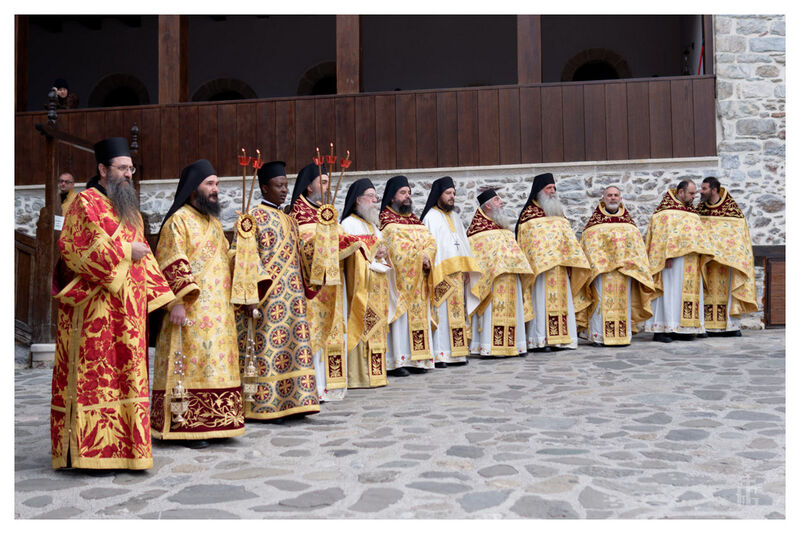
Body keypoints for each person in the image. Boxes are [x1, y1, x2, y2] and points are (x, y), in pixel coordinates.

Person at [50, 137, 175, 469]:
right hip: (95, 312)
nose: (128, 174)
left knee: (128, 378)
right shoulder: (84, 203)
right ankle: (89, 455)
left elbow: (146, 259)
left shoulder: (131, 211)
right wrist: (124, 251)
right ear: (103, 170)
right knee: (96, 379)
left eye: (131, 168)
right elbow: (73, 249)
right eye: (122, 168)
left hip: (129, 315)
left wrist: (169, 300)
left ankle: (128, 453)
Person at [150, 159, 244, 448]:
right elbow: (169, 260)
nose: (215, 189)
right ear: (193, 188)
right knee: (191, 366)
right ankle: (186, 425)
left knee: (217, 366)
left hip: (219, 313)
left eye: (217, 184)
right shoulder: (177, 221)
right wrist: (176, 302)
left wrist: (244, 250)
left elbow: (225, 258)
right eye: (209, 184)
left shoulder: (214, 223)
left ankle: (221, 421)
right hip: (191, 309)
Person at [230, 160, 320, 420]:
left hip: (293, 299)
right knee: (268, 350)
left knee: (293, 347)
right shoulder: (252, 218)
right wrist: (252, 293)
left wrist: (323, 238)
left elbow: (302, 257)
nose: (284, 190)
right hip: (267, 298)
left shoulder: (290, 220)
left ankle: (297, 401)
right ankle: (267, 405)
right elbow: (239, 255)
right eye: (279, 186)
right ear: (264, 188)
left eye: (286, 185)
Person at [289, 163, 371, 400]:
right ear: (309, 186)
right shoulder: (297, 214)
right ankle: (313, 389)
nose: (327, 187)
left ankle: (331, 387)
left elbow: (342, 239)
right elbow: (305, 247)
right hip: (312, 290)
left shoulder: (327, 213)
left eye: (328, 182)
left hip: (334, 285)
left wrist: (356, 245)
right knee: (313, 335)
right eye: (322, 182)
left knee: (334, 334)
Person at [516, 173, 591, 352]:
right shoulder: (528, 216)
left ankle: (562, 340)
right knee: (541, 303)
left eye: (553, 188)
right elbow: (525, 244)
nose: (552, 191)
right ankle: (540, 341)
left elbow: (569, 240)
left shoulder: (558, 213)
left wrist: (572, 262)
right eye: (548, 188)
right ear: (539, 191)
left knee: (562, 303)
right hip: (540, 271)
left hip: (561, 269)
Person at [576, 186, 655, 346]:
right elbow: (589, 247)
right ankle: (599, 337)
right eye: (609, 195)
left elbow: (637, 249)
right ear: (603, 199)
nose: (613, 198)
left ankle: (622, 336)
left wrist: (628, 264)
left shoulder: (629, 224)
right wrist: (605, 263)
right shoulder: (594, 225)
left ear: (620, 198)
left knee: (622, 304)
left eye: (616, 195)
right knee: (601, 303)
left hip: (624, 272)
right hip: (602, 273)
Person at [340, 178, 396, 388]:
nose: (375, 201)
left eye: (376, 197)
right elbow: (350, 254)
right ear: (358, 200)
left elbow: (379, 249)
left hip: (377, 287)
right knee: (362, 327)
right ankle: (360, 376)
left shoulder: (373, 225)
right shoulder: (348, 224)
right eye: (371, 196)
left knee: (377, 329)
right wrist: (373, 248)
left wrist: (383, 251)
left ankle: (377, 375)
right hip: (361, 289)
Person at [379, 175, 437, 376]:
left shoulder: (415, 220)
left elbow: (431, 241)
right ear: (392, 196)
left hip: (419, 281)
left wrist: (427, 255)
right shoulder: (385, 221)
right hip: (400, 283)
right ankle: (398, 361)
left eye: (409, 193)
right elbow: (396, 248)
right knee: (401, 322)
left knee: (418, 320)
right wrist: (420, 256)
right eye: (402, 192)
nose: (407, 196)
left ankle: (417, 361)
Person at [421, 176, 481, 366]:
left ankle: (458, 354)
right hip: (440, 275)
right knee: (441, 315)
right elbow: (429, 246)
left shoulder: (455, 217)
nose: (452, 196)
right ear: (438, 194)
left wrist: (467, 270)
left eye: (453, 193)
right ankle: (440, 355)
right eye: (448, 193)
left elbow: (462, 244)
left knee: (457, 314)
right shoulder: (430, 217)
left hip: (457, 275)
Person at [643, 180, 714, 342]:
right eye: (691, 193)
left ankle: (683, 329)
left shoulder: (691, 212)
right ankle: (662, 330)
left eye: (695, 193)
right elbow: (659, 237)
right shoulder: (665, 212)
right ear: (680, 192)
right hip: (671, 262)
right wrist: (664, 256)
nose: (694, 196)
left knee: (684, 294)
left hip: (691, 261)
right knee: (669, 293)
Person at [466, 189, 534, 357]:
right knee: (491, 314)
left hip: (511, 279)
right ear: (488, 205)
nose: (501, 202)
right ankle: (490, 346)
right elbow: (478, 259)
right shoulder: (477, 232)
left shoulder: (503, 228)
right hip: (492, 282)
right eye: (497, 200)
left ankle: (515, 345)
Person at [697, 177, 757, 336]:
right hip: (707, 262)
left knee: (728, 291)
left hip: (728, 263)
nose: (701, 192)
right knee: (705, 292)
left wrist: (724, 252)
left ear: (714, 190)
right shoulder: (700, 209)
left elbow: (738, 235)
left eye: (704, 189)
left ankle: (731, 327)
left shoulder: (731, 210)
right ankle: (706, 326)